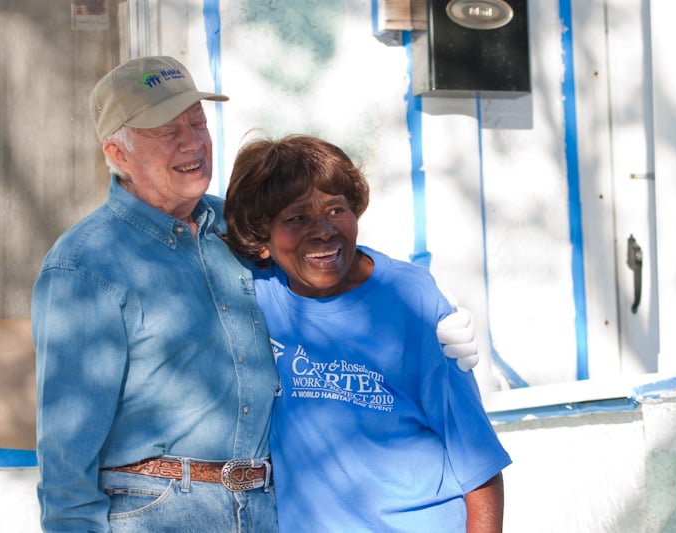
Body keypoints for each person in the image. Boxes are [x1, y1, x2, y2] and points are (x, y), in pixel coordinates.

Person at [31, 56, 281, 532]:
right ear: (118, 153)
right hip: (156, 511)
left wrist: (421, 308)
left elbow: (329, 259)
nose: (192, 142)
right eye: (166, 131)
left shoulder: (240, 226)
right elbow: (65, 454)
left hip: (262, 507)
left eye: (197, 122)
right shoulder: (84, 264)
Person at [223, 134, 511, 532]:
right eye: (297, 217)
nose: (323, 230)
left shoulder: (411, 300)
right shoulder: (256, 293)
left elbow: (476, 457)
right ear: (261, 240)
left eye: (336, 209)